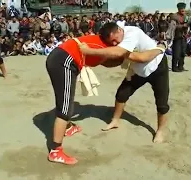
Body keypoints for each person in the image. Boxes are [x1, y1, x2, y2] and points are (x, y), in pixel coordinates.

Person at [46, 30, 165, 165]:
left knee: (65, 96)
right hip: (64, 61)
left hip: (61, 57)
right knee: (65, 107)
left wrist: (121, 59)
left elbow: (105, 62)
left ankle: (67, 127)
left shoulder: (102, 42)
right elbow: (140, 58)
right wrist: (160, 48)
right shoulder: (110, 47)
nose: (116, 43)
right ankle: (55, 151)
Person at [79, 22, 169, 143]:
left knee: (162, 103)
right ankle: (115, 120)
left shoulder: (132, 33)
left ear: (119, 31)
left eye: (115, 40)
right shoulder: (118, 39)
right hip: (137, 70)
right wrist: (94, 62)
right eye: (112, 42)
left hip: (157, 66)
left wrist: (89, 51)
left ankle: (160, 131)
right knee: (121, 94)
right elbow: (114, 61)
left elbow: (140, 58)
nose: (115, 43)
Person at [166, 2, 189, 72]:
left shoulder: (186, 16)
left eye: (184, 9)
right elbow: (172, 26)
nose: (183, 10)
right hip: (177, 37)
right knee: (176, 53)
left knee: (183, 52)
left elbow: (188, 23)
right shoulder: (174, 16)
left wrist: (187, 26)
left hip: (184, 37)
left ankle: (181, 66)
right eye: (181, 9)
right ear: (178, 9)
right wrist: (182, 26)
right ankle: (174, 67)